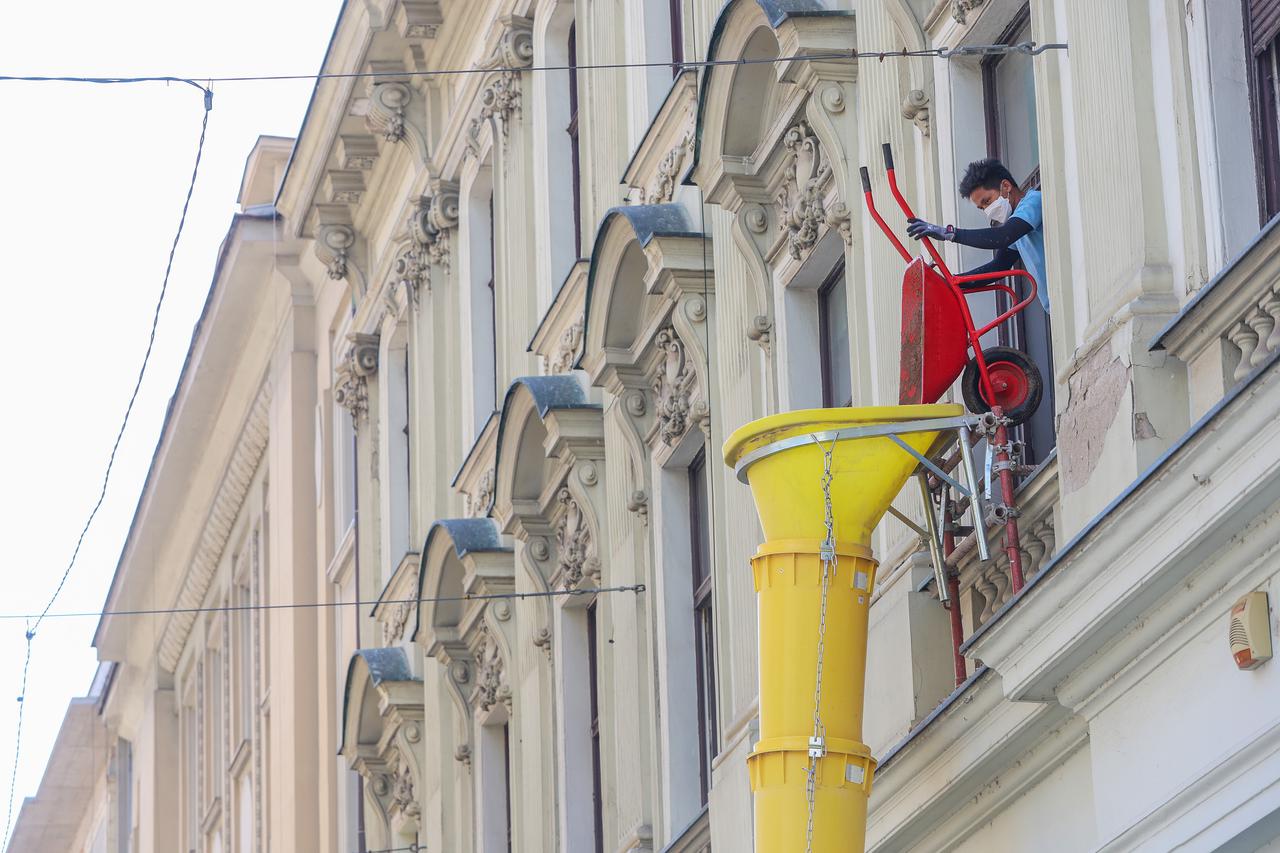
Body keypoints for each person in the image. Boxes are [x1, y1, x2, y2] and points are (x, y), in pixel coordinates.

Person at [906, 159, 1049, 312]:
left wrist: (951, 233)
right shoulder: (1016, 222)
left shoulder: (1033, 202)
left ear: (1006, 186)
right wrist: (951, 281)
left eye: (987, 201)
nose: (988, 210)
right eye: (982, 208)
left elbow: (1003, 236)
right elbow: (999, 266)